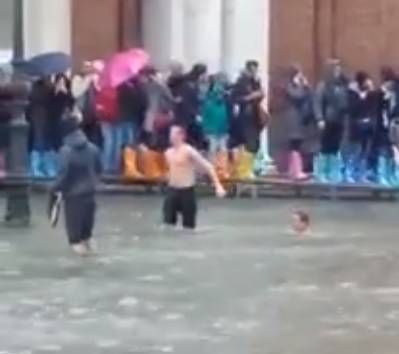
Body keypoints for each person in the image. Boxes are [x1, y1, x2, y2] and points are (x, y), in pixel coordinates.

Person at [52, 115, 102, 256]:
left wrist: (53, 189)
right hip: (91, 195)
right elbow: (99, 169)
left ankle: (81, 269)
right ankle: (94, 261)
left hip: (74, 198)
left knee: (74, 240)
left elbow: (62, 176)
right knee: (87, 235)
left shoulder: (66, 151)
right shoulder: (93, 148)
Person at [163, 125, 226, 230]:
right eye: (170, 134)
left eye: (174, 134)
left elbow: (208, 166)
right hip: (172, 190)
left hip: (187, 191)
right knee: (167, 225)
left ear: (181, 136)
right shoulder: (168, 153)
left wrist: (218, 186)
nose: (171, 136)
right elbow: (170, 170)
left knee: (188, 227)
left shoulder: (188, 150)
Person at [314, 59, 349, 183]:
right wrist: (319, 118)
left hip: (339, 120)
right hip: (327, 119)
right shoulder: (323, 85)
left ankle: (334, 172)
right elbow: (317, 102)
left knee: (335, 147)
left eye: (339, 69)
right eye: (335, 69)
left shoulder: (343, 85)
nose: (337, 72)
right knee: (325, 147)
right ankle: (322, 172)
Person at [231, 60, 265, 179]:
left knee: (255, 143)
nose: (254, 72)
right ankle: (243, 170)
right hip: (244, 116)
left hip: (255, 116)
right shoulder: (240, 82)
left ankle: (251, 168)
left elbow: (260, 95)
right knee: (247, 143)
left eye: (256, 70)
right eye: (252, 70)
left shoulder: (256, 81)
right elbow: (235, 99)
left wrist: (260, 94)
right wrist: (250, 97)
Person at [345, 71, 378, 183]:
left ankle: (361, 174)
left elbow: (373, 107)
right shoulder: (352, 93)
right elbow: (352, 109)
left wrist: (369, 92)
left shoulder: (370, 94)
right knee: (355, 150)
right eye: (366, 81)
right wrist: (361, 97)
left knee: (364, 151)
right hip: (356, 126)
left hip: (367, 126)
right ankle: (350, 173)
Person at [283, 65, 313, 180]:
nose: (301, 77)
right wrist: (303, 87)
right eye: (299, 74)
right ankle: (296, 170)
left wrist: (306, 86)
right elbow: (297, 96)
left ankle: (293, 169)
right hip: (293, 118)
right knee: (295, 144)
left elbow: (309, 96)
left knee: (297, 144)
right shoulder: (290, 86)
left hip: (301, 118)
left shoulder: (301, 87)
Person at [201, 73, 230, 178]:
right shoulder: (213, 100)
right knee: (216, 150)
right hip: (215, 130)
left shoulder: (213, 100)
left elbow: (204, 117)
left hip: (218, 129)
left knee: (219, 150)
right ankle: (215, 170)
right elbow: (205, 117)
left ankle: (218, 170)